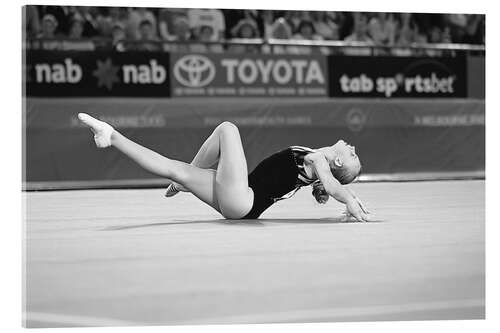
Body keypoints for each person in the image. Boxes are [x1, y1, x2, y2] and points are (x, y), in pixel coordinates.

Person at [77, 113, 370, 222]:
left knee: (228, 129)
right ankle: (111, 136)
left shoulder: (318, 161)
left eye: (353, 156)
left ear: (338, 162)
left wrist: (349, 198)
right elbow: (329, 185)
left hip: (244, 197)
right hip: (240, 203)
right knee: (174, 169)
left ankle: (184, 181)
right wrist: (347, 197)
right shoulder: (316, 159)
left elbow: (331, 186)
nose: (354, 149)